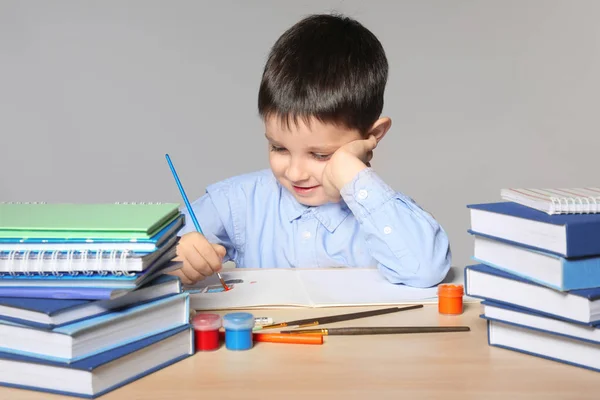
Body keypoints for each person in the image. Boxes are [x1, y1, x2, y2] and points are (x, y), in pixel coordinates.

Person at [173, 13, 451, 288]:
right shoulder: (238, 202)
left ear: (372, 136)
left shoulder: (382, 211)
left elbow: (426, 270)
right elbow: (145, 259)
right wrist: (176, 257)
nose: (295, 173)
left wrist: (353, 174)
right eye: (279, 148)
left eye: (321, 155)